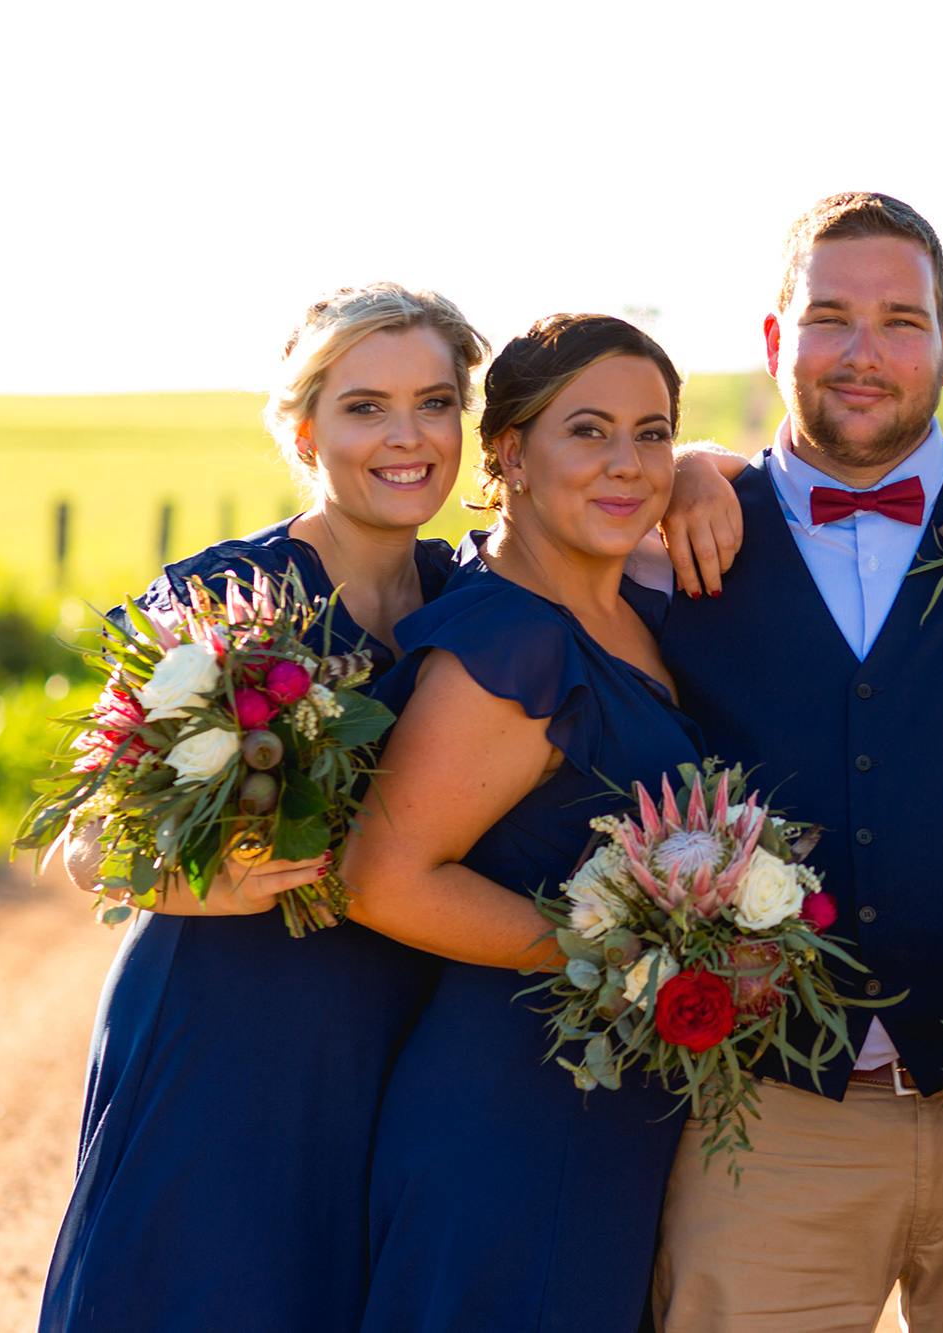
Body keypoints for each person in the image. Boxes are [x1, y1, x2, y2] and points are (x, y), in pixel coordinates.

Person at [634, 192, 943, 1333]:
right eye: (828, 318)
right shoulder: (667, 539)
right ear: (773, 342)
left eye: (900, 322)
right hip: (765, 1124)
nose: (863, 354)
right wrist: (684, 467)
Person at [40, 283, 490, 1333]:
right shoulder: (218, 596)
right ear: (303, 428)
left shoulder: (472, 597)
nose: (408, 436)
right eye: (365, 407)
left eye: (434, 402)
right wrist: (207, 882)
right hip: (226, 1026)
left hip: (399, 1035)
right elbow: (86, 840)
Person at [341, 314, 707, 1333]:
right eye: (587, 431)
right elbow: (383, 876)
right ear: (508, 452)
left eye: (653, 432)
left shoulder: (627, 607)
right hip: (512, 1104)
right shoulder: (509, 644)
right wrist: (631, 959)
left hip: (612, 1106)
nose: (628, 465)